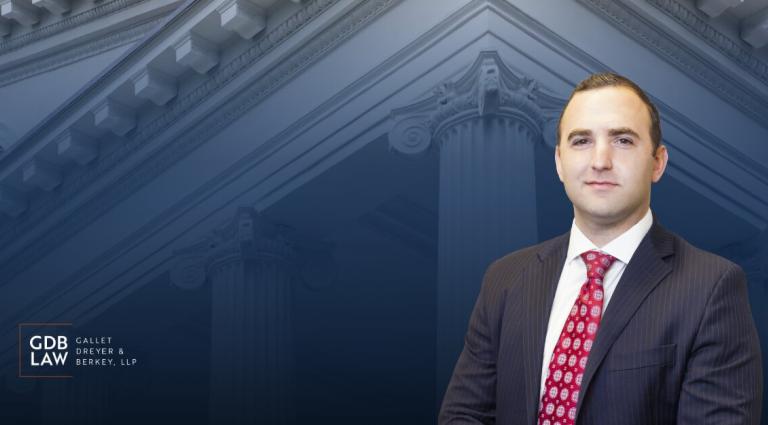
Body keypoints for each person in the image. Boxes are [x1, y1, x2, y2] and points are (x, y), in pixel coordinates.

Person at [438, 73, 763, 425]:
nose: (600, 161)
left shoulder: (712, 287)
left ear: (658, 162)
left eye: (623, 140)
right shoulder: (505, 278)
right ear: (560, 162)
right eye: (581, 141)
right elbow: (464, 415)